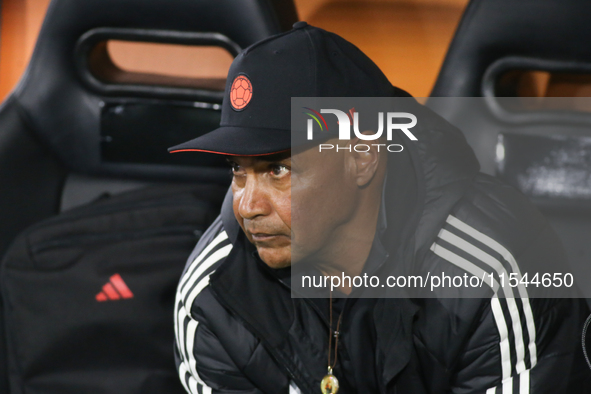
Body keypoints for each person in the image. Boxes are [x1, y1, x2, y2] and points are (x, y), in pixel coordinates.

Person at [169, 22, 590, 393]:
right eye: (237, 170)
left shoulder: (490, 278)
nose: (246, 205)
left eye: (278, 169)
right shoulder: (213, 293)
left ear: (362, 158)